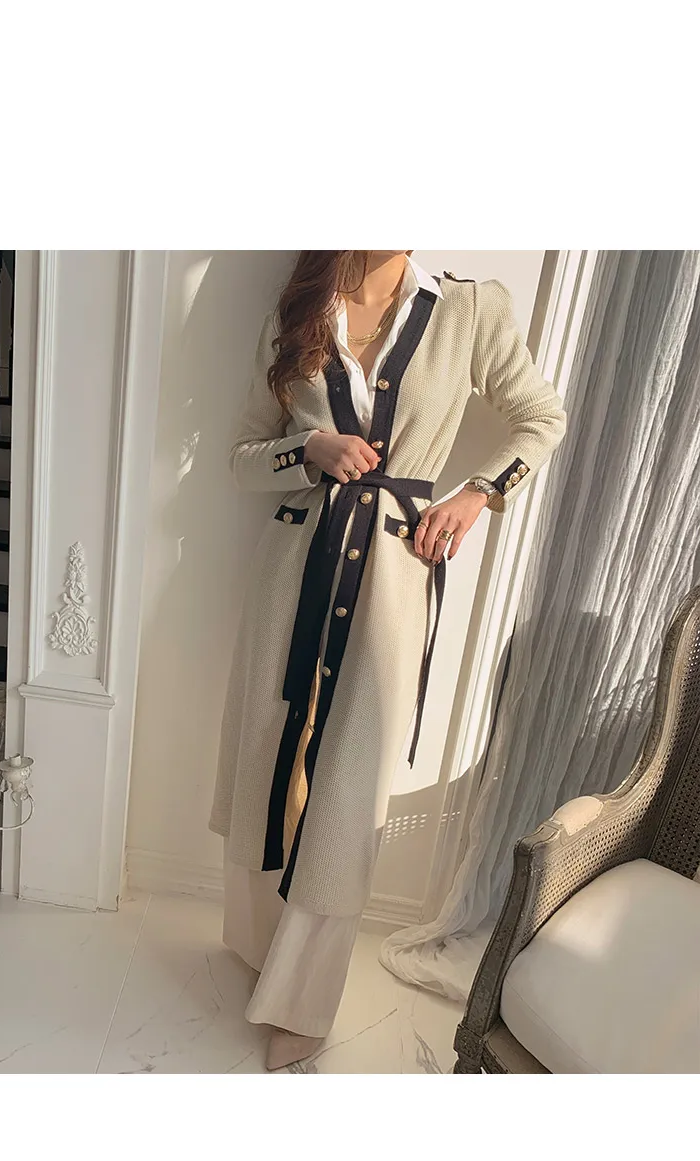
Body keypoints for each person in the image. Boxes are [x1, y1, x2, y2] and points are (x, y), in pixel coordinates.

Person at [209, 250, 568, 1070]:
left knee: (348, 790)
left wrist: (477, 494)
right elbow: (238, 456)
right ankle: (261, 947)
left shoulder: (469, 309)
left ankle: (303, 999)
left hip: (394, 585)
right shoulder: (297, 309)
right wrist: (308, 448)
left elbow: (541, 418)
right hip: (292, 574)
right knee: (270, 759)